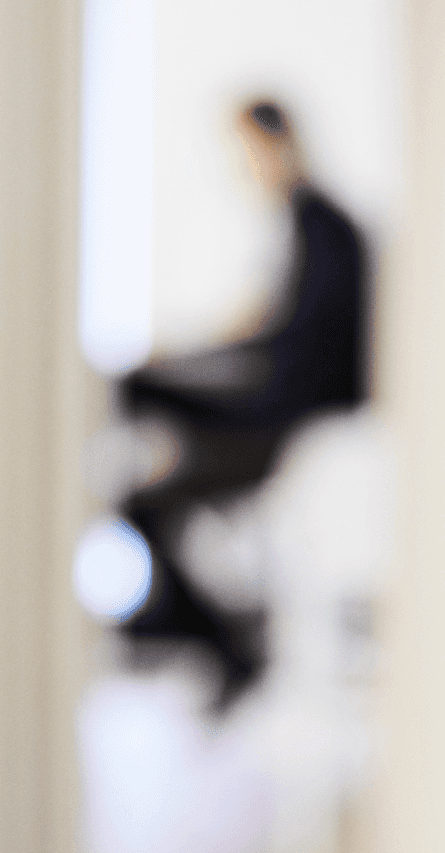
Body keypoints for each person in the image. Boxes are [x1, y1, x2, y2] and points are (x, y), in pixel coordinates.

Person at [111, 99, 369, 710]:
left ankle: (215, 639)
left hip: (280, 417)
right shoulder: (304, 224)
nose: (245, 170)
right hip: (270, 401)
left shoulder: (323, 226)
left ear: (279, 144)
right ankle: (196, 630)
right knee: (139, 447)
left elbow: (290, 345)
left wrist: (195, 362)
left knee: (136, 412)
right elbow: (266, 328)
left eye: (249, 154)